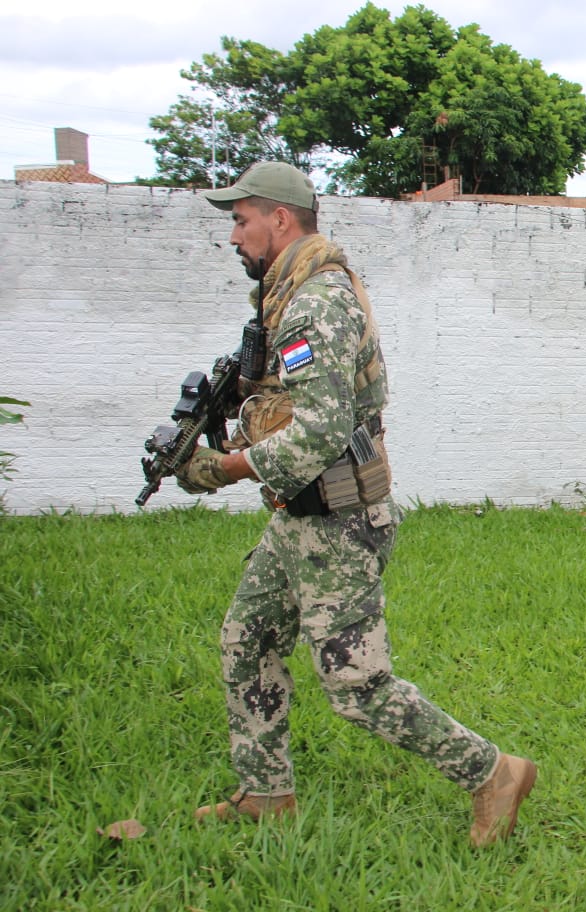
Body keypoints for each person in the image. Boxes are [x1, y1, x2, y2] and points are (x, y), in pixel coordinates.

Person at [175, 162, 536, 846]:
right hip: (301, 515)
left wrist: (224, 468)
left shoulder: (315, 302)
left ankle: (492, 772)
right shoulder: (289, 295)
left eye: (241, 219)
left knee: (357, 685)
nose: (234, 236)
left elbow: (320, 429)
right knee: (246, 638)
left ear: (280, 219)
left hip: (339, 521)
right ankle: (266, 792)